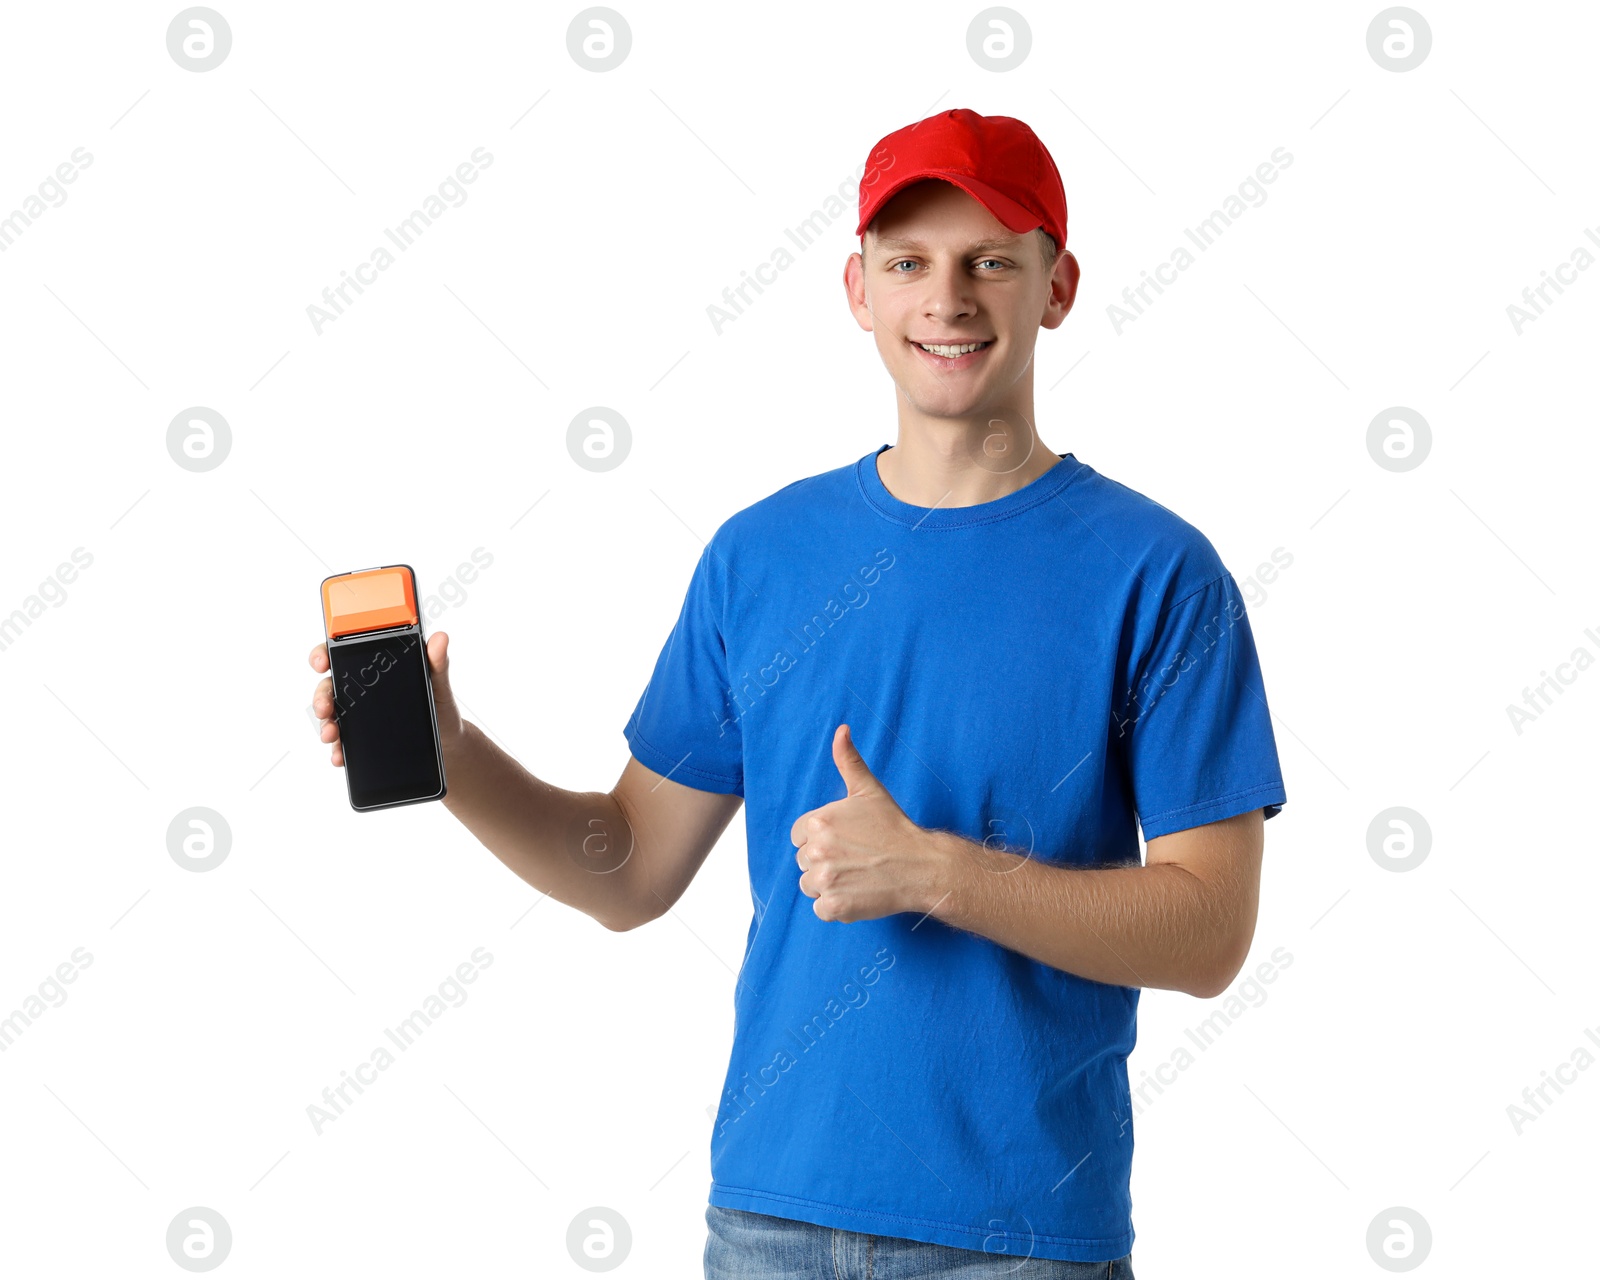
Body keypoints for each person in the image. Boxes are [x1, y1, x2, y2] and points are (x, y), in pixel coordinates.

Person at [309, 107, 1287, 1279]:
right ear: (857, 290)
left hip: (1020, 1240)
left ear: (1057, 286)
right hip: (768, 1223)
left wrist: (935, 871)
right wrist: (453, 753)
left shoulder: (1159, 575)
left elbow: (1209, 930)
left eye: (990, 261)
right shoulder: (758, 556)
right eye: (908, 263)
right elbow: (624, 866)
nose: (948, 298)